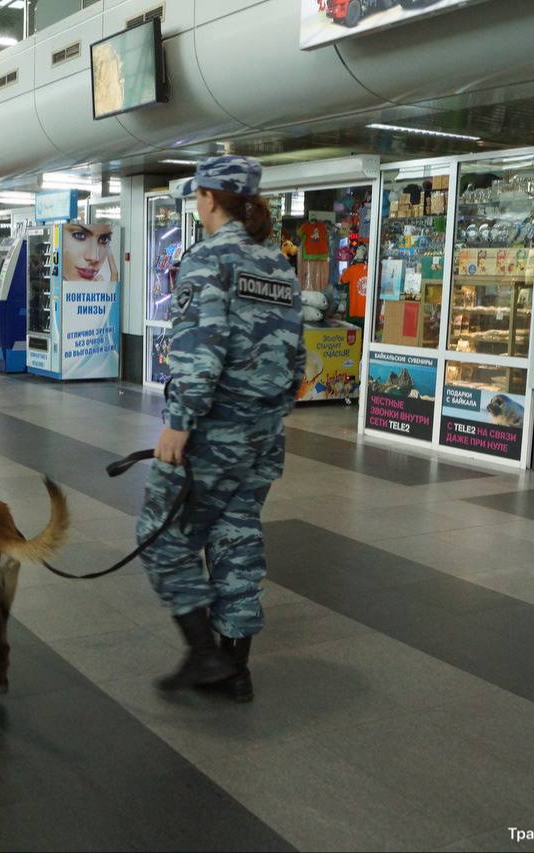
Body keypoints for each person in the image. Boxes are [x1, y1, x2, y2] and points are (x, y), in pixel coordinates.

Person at [136, 156, 305, 703]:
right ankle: (236, 671)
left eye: (197, 195)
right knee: (236, 534)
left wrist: (179, 424)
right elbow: (295, 355)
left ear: (208, 198)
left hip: (214, 431)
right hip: (264, 431)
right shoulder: (276, 264)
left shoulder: (207, 260)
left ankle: (204, 655)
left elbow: (199, 351)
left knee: (159, 536)